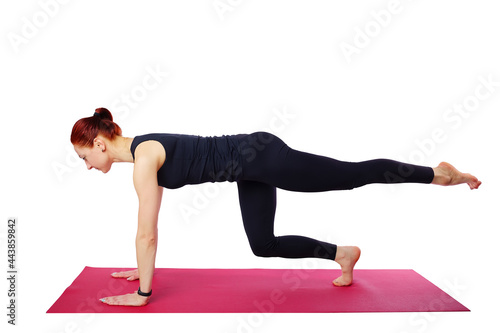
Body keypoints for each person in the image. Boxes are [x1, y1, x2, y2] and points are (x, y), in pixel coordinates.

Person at [70, 108, 481, 307]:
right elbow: (147, 232)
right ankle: (344, 255)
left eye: (85, 157)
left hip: (259, 156)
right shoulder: (144, 154)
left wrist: (143, 291)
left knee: (349, 176)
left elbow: (147, 233)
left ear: (100, 144)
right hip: (248, 167)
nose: (88, 166)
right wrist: (139, 267)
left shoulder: (144, 161)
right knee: (263, 244)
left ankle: (438, 173)